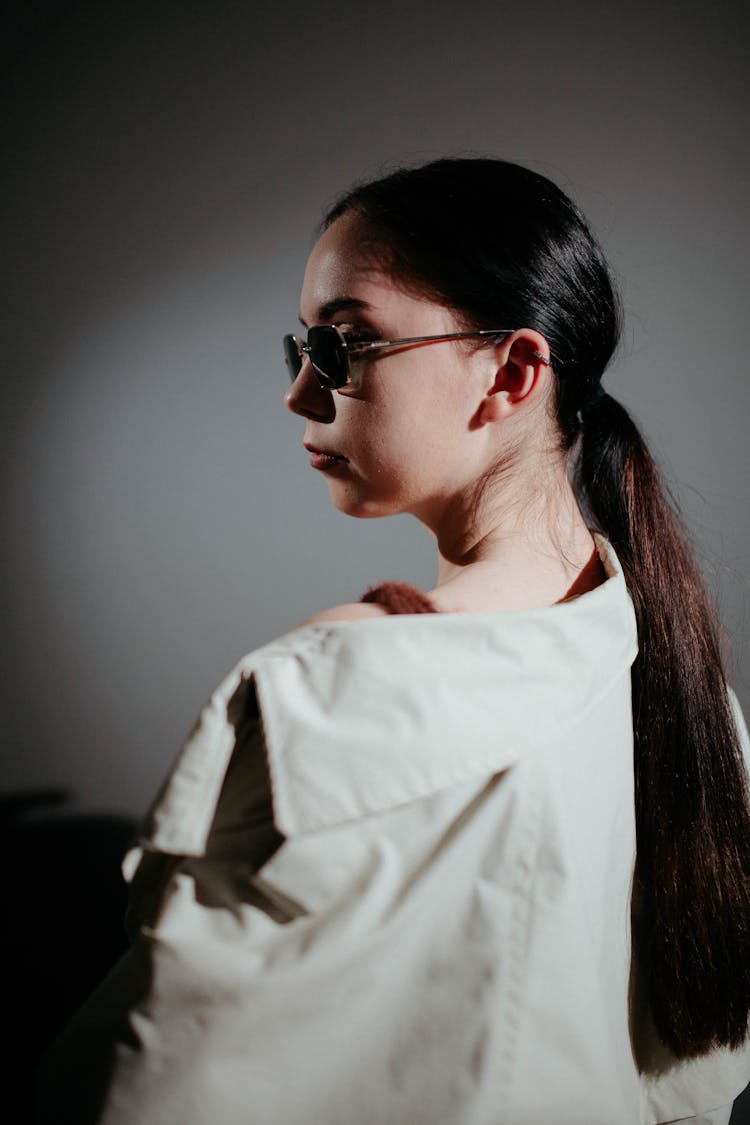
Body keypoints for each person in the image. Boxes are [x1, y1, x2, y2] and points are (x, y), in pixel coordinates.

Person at [36, 158, 750, 1124]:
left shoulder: (338, 691)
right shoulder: (692, 698)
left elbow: (146, 1090)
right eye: (301, 344)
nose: (299, 391)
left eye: (345, 342)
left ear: (511, 372)